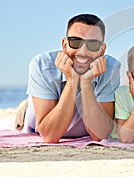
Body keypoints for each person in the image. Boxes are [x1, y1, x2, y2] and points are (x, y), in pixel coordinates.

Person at [16, 13, 120, 143]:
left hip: (80, 121)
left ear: (102, 50)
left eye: (93, 44)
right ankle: (24, 107)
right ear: (64, 44)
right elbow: (50, 136)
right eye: (75, 42)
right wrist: (72, 80)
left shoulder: (111, 67)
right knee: (24, 116)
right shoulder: (41, 65)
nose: (82, 51)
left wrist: (86, 83)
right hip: (37, 118)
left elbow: (100, 135)